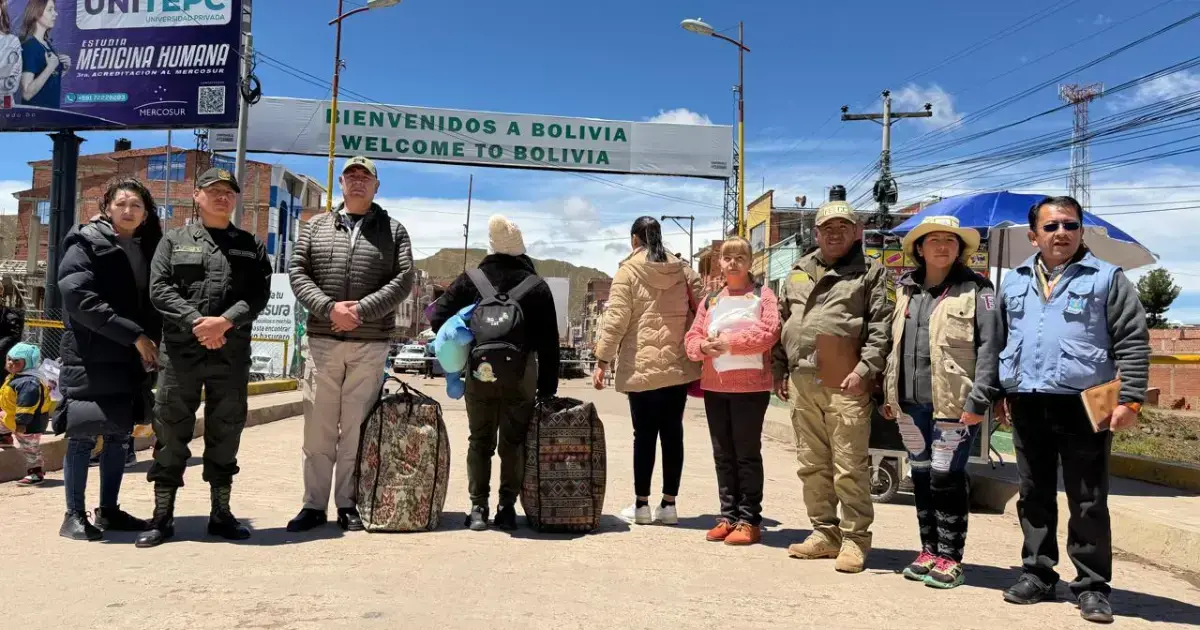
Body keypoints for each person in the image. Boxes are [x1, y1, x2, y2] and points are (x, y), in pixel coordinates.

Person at [997, 196, 1150, 623]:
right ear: (1034, 236)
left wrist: (1131, 398)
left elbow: (1133, 341)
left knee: (1088, 499)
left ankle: (1092, 585)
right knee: (1033, 494)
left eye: (1070, 225)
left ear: (1081, 231)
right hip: (1027, 399)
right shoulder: (1014, 281)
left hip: (1084, 404)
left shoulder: (1107, 278)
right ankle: (1038, 574)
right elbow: (999, 341)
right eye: (1051, 227)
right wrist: (996, 393)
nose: (1061, 232)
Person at [137, 168, 271, 548]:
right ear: (197, 196)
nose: (222, 197)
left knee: (226, 429)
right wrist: (198, 322)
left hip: (230, 353)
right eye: (213, 191)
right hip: (181, 352)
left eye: (229, 192)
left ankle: (221, 513)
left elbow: (258, 294)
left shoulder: (249, 244)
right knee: (170, 430)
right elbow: (159, 289)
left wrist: (225, 322)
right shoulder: (173, 241)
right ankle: (162, 516)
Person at [286, 156, 415, 533]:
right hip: (323, 342)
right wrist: (329, 308)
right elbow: (298, 272)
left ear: (377, 186)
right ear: (340, 184)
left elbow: (403, 279)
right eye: (351, 176)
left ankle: (348, 503)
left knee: (357, 428)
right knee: (318, 429)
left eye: (365, 177)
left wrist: (361, 309)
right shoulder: (315, 227)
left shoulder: (394, 231)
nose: (358, 182)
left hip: (369, 343)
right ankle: (313, 505)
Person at [878, 216, 1002, 588]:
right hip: (911, 405)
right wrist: (889, 395)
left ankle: (951, 557)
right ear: (919, 248)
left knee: (946, 476)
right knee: (920, 475)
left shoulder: (980, 291)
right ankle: (928, 550)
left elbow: (990, 348)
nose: (942, 247)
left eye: (950, 241)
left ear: (960, 248)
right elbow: (893, 346)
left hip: (954, 405)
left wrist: (979, 400)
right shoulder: (906, 290)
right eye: (934, 240)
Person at [772, 199, 892, 573]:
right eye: (827, 228)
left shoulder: (871, 272)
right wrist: (779, 367)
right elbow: (783, 318)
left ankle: (856, 539)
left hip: (846, 379)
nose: (835, 233)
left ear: (857, 232)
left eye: (843, 227)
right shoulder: (798, 270)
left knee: (848, 465)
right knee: (812, 463)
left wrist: (865, 369)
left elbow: (880, 328)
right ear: (816, 233)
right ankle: (824, 533)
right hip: (803, 378)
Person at [429, 215, 559, 531]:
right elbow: (549, 343)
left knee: (480, 439)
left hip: (480, 372)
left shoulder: (471, 280)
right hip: (522, 375)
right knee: (513, 441)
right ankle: (506, 508)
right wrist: (547, 389)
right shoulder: (537, 286)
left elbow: (436, 318)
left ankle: (477, 508)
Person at [52, 178, 163, 541]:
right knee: (84, 433)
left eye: (137, 206)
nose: (129, 211)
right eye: (122, 204)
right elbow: (77, 295)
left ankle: (110, 510)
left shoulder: (150, 247)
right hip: (92, 352)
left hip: (134, 354)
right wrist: (133, 334)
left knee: (119, 434)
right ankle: (73, 515)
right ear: (107, 207)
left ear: (146, 214)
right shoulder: (85, 241)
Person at [593, 216, 702, 526]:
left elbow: (616, 320)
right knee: (672, 433)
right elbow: (705, 302)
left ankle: (641, 505)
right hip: (677, 366)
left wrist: (603, 361)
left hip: (641, 366)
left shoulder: (627, 271)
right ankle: (669, 506)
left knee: (643, 436)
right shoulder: (682, 269)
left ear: (634, 240)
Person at [684, 237, 780, 546]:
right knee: (723, 454)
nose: (734, 262)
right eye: (728, 257)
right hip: (715, 386)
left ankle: (749, 520)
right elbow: (692, 336)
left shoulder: (763, 295)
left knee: (746, 455)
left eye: (741, 256)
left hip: (750, 388)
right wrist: (702, 346)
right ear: (720, 263)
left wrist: (729, 343)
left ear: (751, 261)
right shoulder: (711, 299)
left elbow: (769, 332)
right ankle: (728, 516)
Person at [1, 342, 52, 485]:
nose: (11, 363)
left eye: (16, 361)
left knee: (29, 447)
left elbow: (27, 405)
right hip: (13, 416)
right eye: (9, 359)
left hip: (29, 422)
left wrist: (22, 423)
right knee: (1, 419)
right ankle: (4, 438)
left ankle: (36, 472)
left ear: (28, 363)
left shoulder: (29, 381)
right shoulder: (17, 376)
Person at [18, 0, 68, 109]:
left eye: (54, 9)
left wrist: (63, 69)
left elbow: (47, 81)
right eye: (50, 10)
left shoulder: (47, 44)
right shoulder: (30, 46)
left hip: (51, 117)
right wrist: (50, 67)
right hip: (36, 121)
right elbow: (27, 94)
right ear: (37, 13)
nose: (55, 13)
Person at [0, 282, 25, 449]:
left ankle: (4, 435)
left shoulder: (11, 316)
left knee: (3, 400)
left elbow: (12, 338)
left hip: (1, 365)